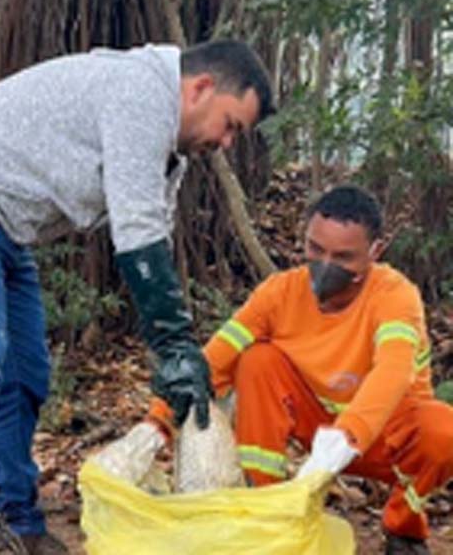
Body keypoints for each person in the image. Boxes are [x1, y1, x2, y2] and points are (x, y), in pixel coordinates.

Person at [0, 40, 273, 554]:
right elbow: (137, 234)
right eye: (231, 126)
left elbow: (151, 240)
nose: (227, 143)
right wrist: (176, 344)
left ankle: (18, 520)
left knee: (25, 373)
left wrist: (176, 351)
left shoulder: (170, 154)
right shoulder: (141, 93)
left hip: (3, 222)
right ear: (201, 88)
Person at [150, 185, 453, 555]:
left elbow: (393, 369)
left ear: (375, 251)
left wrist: (346, 438)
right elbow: (216, 358)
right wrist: (155, 424)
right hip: (315, 427)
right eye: (315, 249)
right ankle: (266, 511)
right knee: (257, 360)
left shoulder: (395, 295)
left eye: (343, 256)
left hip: (385, 435)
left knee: (444, 432)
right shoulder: (279, 293)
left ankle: (403, 528)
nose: (325, 264)